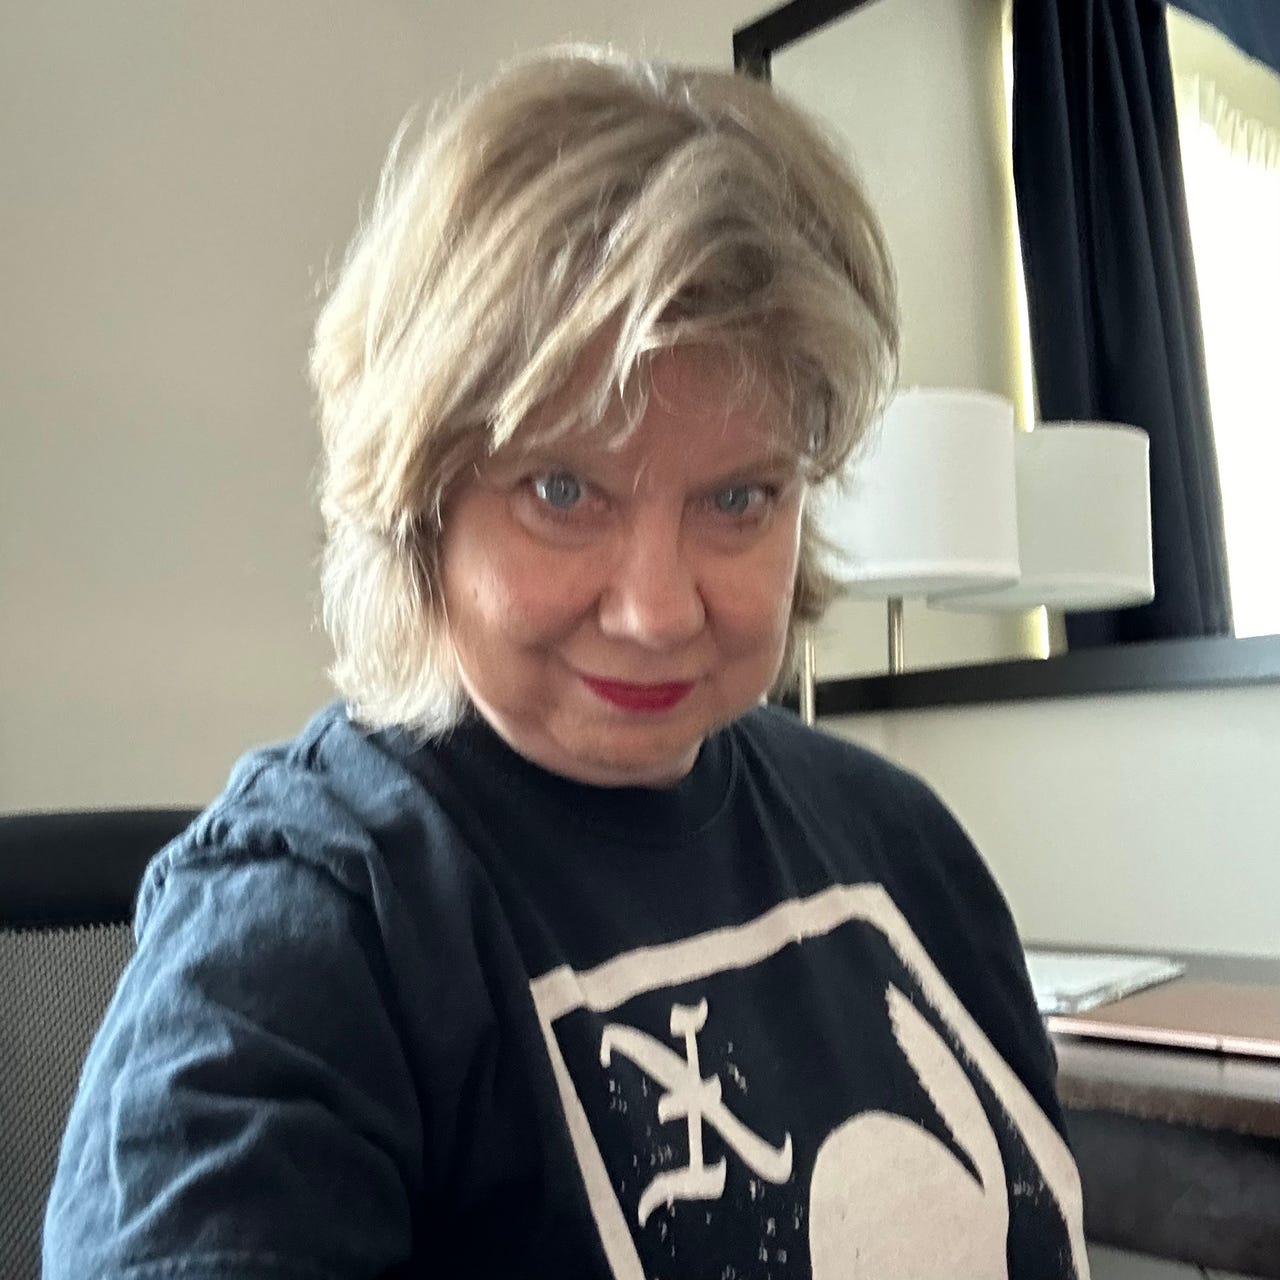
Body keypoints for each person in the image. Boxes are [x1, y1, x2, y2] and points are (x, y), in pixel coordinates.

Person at [43, 46, 1087, 1280]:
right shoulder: (306, 931)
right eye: (561, 490)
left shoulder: (903, 845)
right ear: (420, 502)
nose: (655, 609)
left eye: (737, 498)